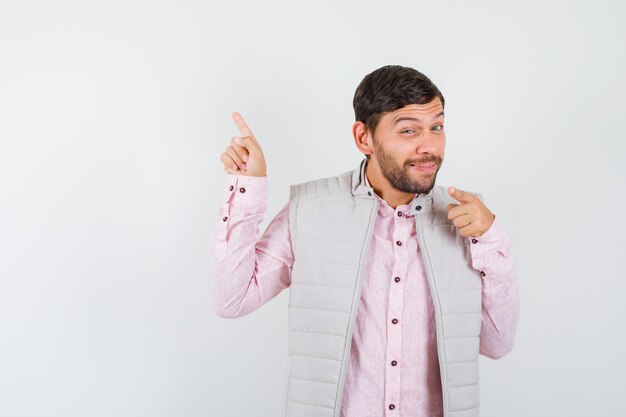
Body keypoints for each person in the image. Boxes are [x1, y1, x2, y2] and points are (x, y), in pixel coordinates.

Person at [210, 65, 520, 417]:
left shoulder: (469, 220)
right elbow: (232, 299)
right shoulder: (310, 209)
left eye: (437, 127)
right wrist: (247, 188)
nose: (429, 146)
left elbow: (497, 344)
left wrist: (492, 240)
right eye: (408, 131)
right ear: (363, 138)